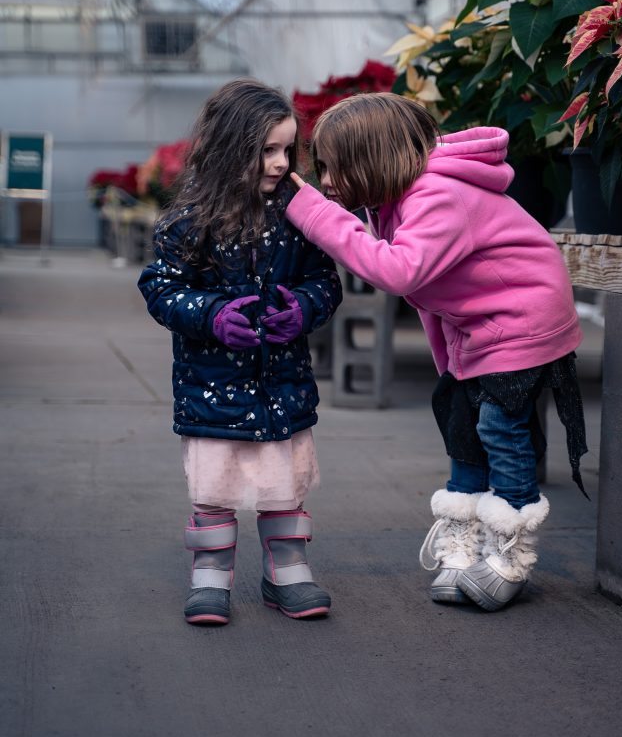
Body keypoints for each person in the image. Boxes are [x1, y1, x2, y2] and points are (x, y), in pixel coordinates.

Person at [286, 92, 587, 612]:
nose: (326, 182)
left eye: (334, 169)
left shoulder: (437, 194)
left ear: (371, 159)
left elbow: (399, 272)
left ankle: (509, 553)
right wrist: (450, 369)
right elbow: (432, 297)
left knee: (500, 429)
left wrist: (315, 214)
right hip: (480, 327)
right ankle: (463, 547)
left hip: (521, 321)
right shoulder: (397, 201)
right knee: (461, 422)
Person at [138, 79, 342, 626]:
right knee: (215, 487)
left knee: (284, 483)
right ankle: (210, 574)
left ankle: (287, 569)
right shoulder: (189, 220)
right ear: (231, 149)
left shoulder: (300, 216)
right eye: (266, 151)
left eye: (286, 149)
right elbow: (161, 288)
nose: (280, 163)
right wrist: (210, 316)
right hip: (212, 385)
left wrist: (303, 307)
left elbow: (326, 280)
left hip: (282, 382)